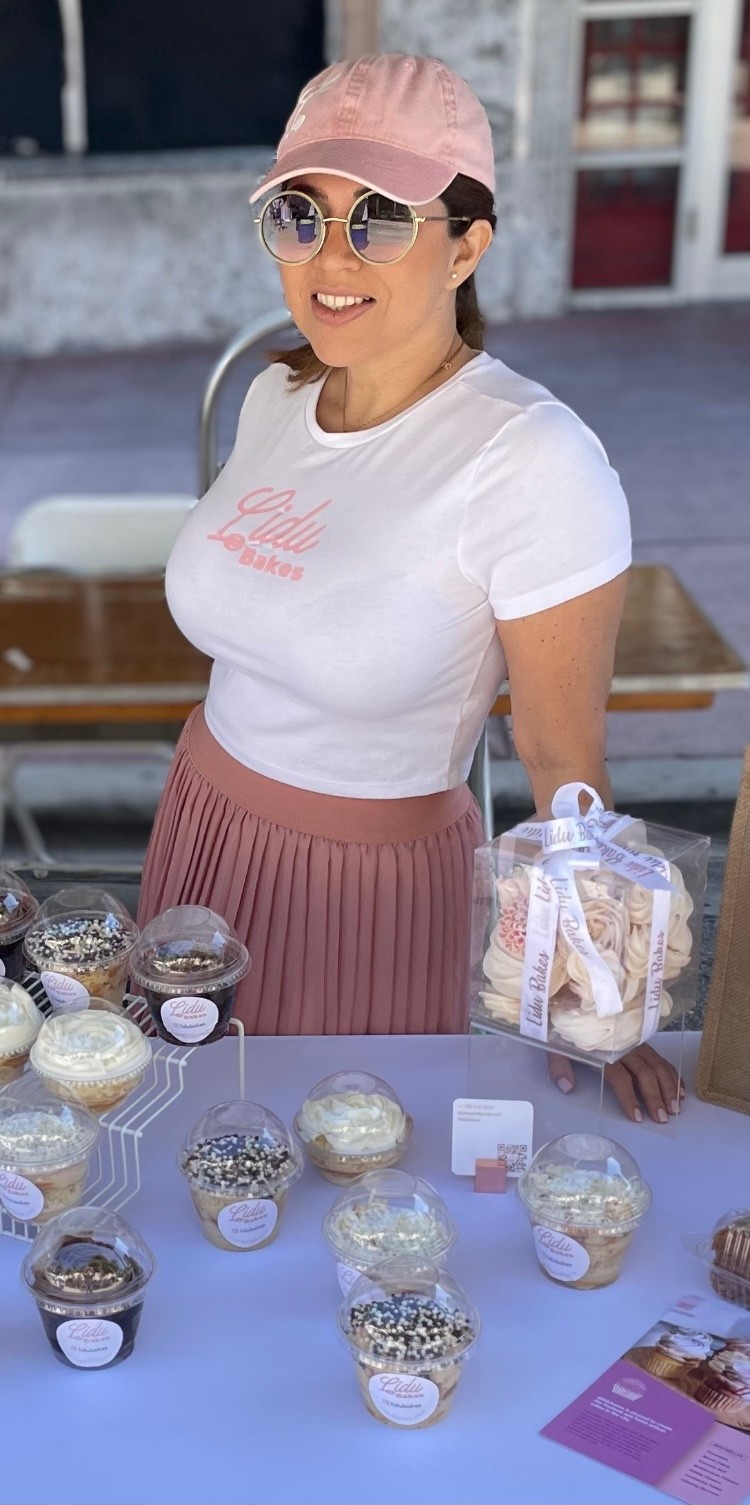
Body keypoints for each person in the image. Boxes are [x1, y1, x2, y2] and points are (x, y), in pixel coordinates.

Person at [139, 53, 682, 1124]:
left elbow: (563, 762)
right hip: (199, 828)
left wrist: (601, 994)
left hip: (365, 891)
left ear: (468, 246)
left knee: (352, 1183)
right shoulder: (274, 395)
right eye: (300, 215)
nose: (330, 257)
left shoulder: (532, 456)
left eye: (381, 218)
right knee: (187, 1157)